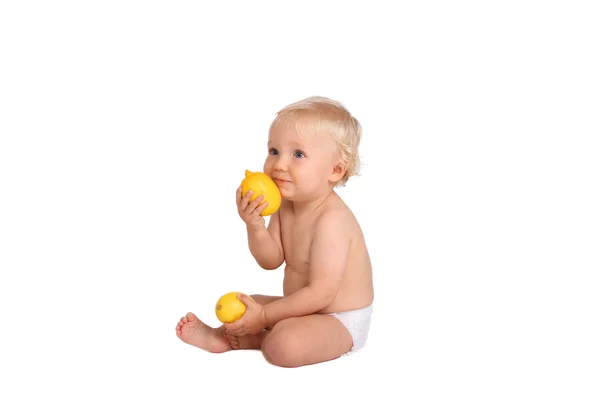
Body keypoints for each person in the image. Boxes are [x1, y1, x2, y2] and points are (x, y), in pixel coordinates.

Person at [175, 96, 374, 368]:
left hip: (339, 319)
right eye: (274, 151)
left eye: (298, 154)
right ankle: (225, 336)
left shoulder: (333, 220)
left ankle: (255, 338)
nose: (279, 164)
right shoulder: (286, 207)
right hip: (302, 309)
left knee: (283, 345)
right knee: (246, 304)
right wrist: (254, 225)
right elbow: (271, 260)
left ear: (335, 170)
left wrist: (266, 316)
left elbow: (322, 294)